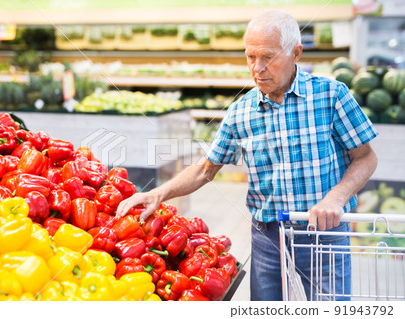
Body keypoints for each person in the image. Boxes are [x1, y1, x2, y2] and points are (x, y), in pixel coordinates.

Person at [116, 9, 378, 301]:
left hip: (324, 235)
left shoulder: (331, 95)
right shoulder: (240, 112)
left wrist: (336, 198)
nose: (257, 68)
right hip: (268, 237)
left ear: (296, 53)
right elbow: (205, 170)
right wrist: (158, 194)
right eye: (250, 57)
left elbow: (366, 157)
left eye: (267, 56)